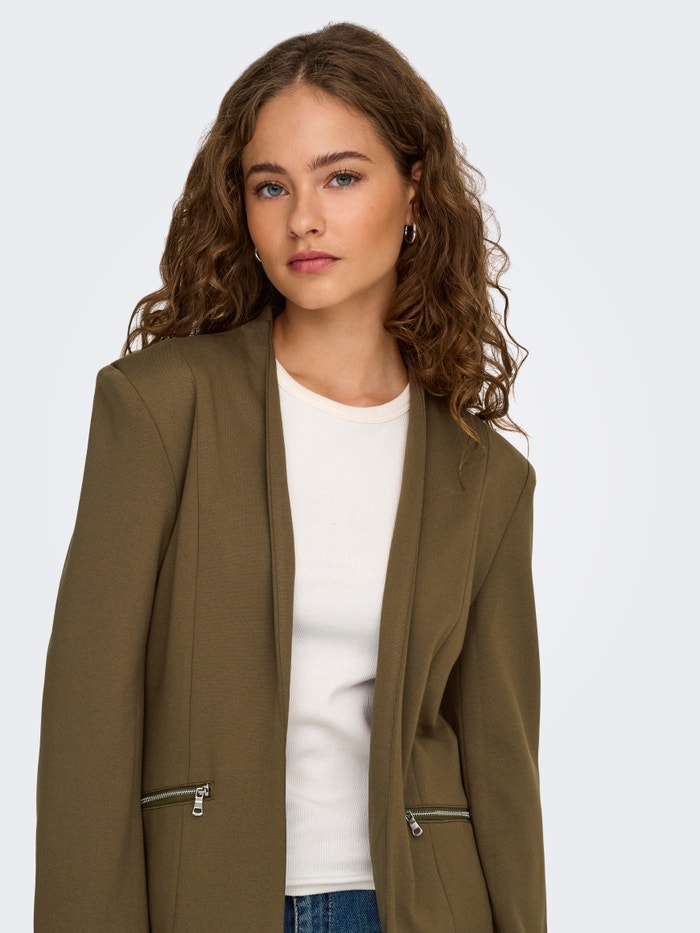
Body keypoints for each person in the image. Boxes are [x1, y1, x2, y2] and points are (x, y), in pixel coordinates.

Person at [35, 21, 546, 933]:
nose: (303, 217)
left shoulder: (486, 475)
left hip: (422, 907)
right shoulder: (159, 408)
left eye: (340, 177)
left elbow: (502, 765)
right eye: (271, 185)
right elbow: (88, 721)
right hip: (208, 900)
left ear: (415, 191)